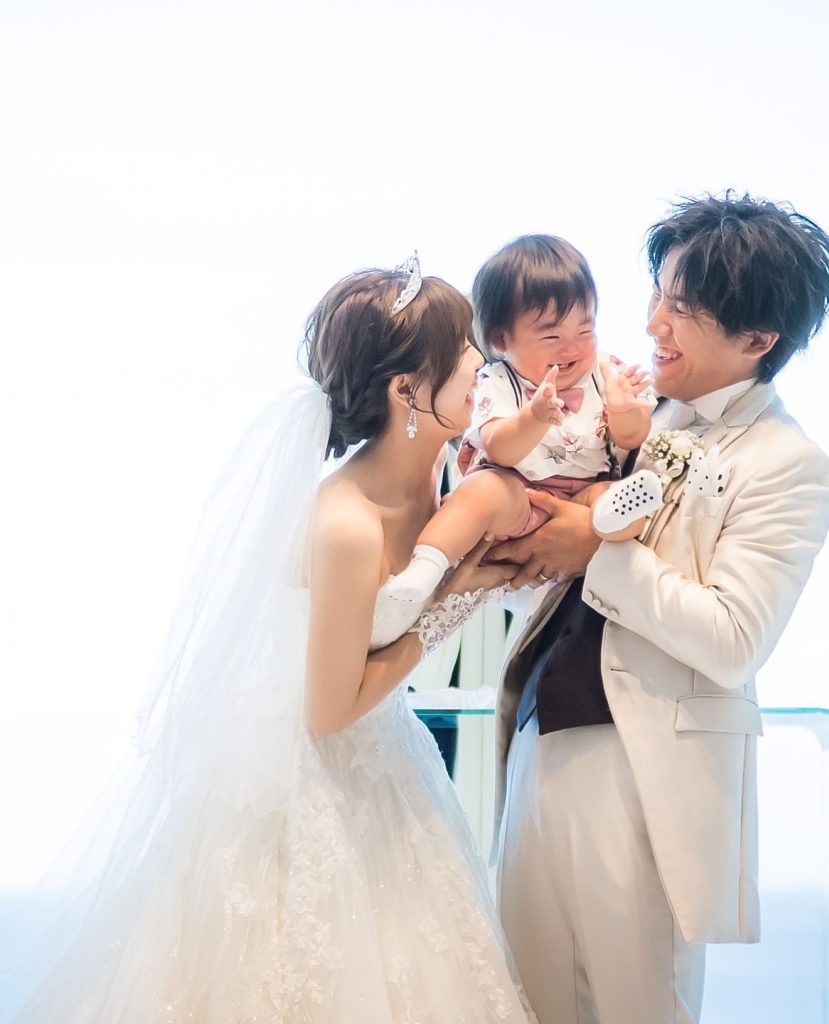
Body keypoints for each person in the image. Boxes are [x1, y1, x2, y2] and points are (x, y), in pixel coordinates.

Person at [7, 261, 535, 1023]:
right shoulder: (345, 525)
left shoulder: (445, 472)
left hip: (388, 758)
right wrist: (455, 604)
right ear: (407, 391)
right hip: (312, 775)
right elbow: (330, 711)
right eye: (467, 360)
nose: (484, 373)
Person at [490, 193, 829, 1024]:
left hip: (644, 771)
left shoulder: (787, 462)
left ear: (757, 339)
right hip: (539, 739)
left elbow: (732, 638)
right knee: (525, 1001)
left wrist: (595, 550)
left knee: (638, 1004)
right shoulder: (624, 418)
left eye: (682, 308)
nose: (654, 323)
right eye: (658, 295)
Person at [381, 235, 655, 603]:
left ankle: (607, 523)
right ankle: (425, 568)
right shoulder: (495, 381)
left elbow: (631, 438)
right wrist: (534, 417)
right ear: (501, 340)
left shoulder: (606, 371)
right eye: (552, 335)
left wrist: (623, 410)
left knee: (620, 501)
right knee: (482, 494)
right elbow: (501, 449)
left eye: (585, 330)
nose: (572, 347)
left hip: (582, 496)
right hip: (516, 491)